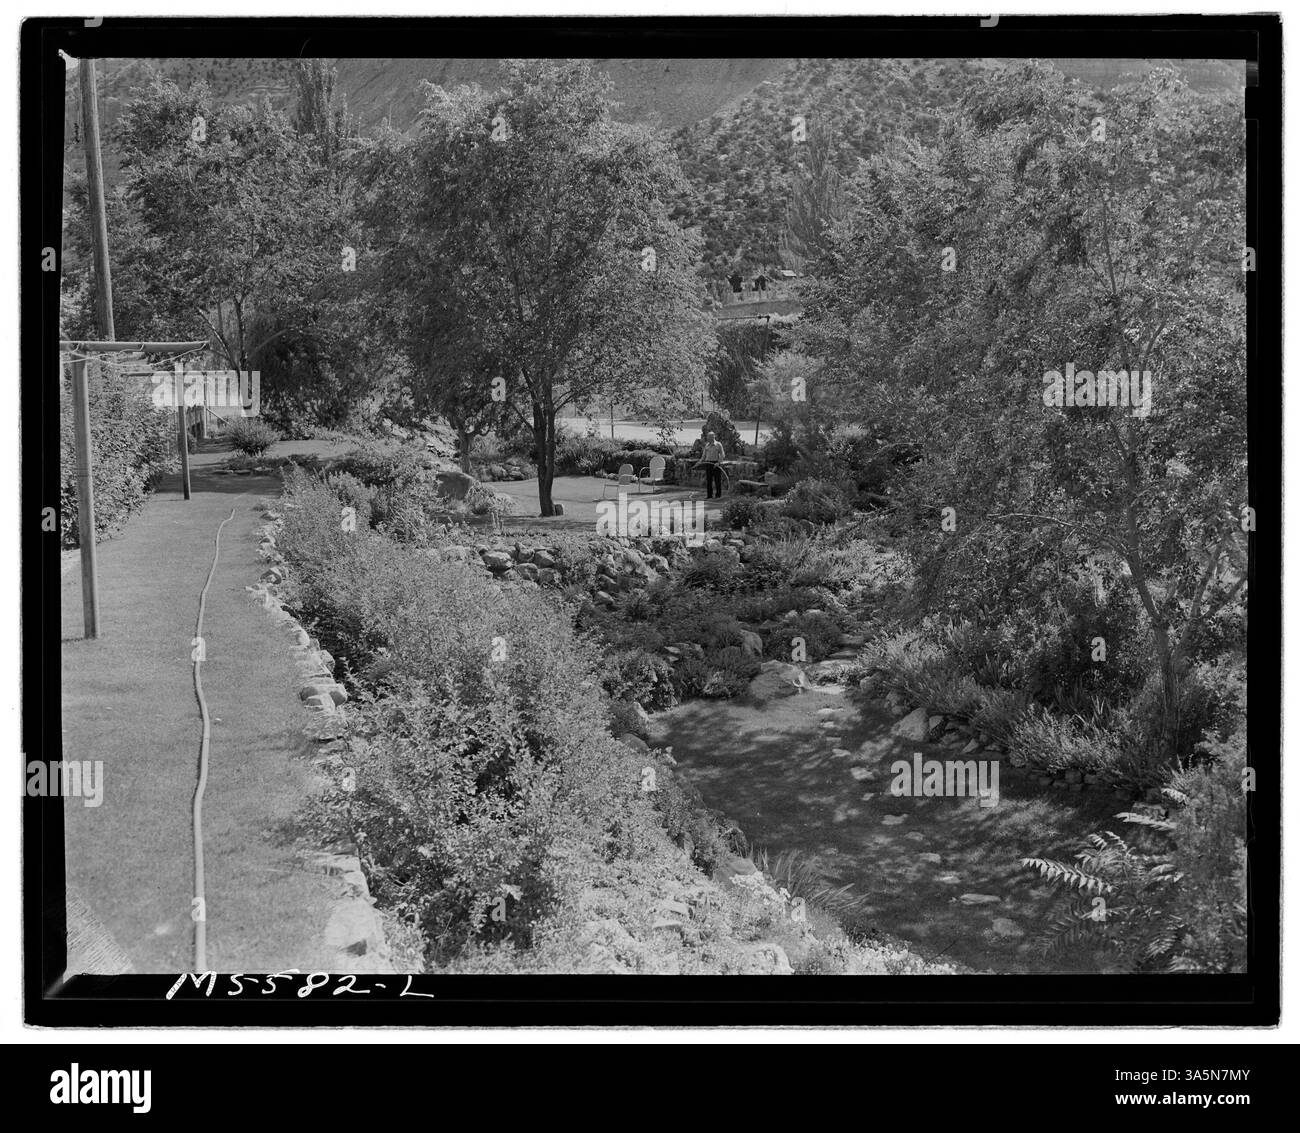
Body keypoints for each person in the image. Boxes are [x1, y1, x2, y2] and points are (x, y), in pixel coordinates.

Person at [698, 430, 725, 499]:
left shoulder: (718, 444)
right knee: (709, 480)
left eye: (709, 437)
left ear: (713, 437)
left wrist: (718, 462)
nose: (708, 438)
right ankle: (709, 495)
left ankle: (718, 495)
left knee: (717, 480)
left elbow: (722, 455)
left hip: (716, 464)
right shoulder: (707, 445)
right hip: (708, 463)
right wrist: (700, 461)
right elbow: (703, 456)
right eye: (707, 437)